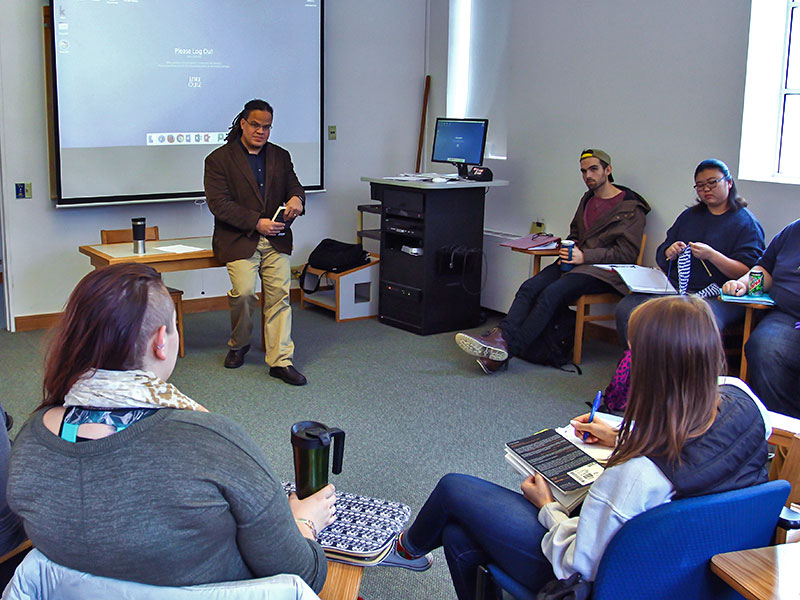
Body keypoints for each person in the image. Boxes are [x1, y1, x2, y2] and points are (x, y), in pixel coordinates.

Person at [390, 296, 770, 599]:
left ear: (651, 368)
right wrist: (622, 436)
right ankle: (411, 550)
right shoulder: (745, 402)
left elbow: (577, 565)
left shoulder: (637, 476)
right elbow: (697, 445)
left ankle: (404, 549)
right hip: (694, 575)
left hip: (601, 583)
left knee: (455, 489)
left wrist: (548, 507)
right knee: (458, 535)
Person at [6, 264, 334, 591]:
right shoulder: (212, 442)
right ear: (161, 341)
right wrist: (303, 522)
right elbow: (302, 575)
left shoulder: (29, 445)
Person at [455, 149, 650, 374]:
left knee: (552, 293)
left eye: (594, 169)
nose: (588, 175)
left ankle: (508, 350)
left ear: (608, 170)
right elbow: (576, 231)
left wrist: (585, 256)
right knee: (530, 287)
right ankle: (500, 337)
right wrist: (568, 248)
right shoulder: (587, 199)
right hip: (576, 262)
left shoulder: (630, 209)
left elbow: (627, 254)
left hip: (605, 272)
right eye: (584, 171)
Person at [205, 99, 308, 386]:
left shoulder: (280, 156)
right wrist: (255, 221)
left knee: (280, 297)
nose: (261, 131)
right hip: (239, 238)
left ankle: (280, 361)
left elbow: (294, 185)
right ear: (243, 123)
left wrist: (297, 199)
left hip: (276, 238)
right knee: (245, 293)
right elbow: (219, 204)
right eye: (256, 125)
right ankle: (239, 344)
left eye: (267, 127)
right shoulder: (218, 159)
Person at [615, 158, 764, 344]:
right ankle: (635, 364)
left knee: (692, 320)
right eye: (700, 186)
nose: (706, 189)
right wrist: (669, 252)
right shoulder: (689, 216)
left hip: (720, 295)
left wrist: (712, 256)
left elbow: (749, 272)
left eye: (712, 183)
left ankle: (684, 371)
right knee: (629, 308)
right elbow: (662, 254)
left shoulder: (745, 223)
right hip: (676, 287)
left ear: (729, 182)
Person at [723, 219, 800, 419]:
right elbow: (764, 269)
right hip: (787, 316)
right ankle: (783, 425)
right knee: (763, 346)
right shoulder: (793, 230)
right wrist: (743, 283)